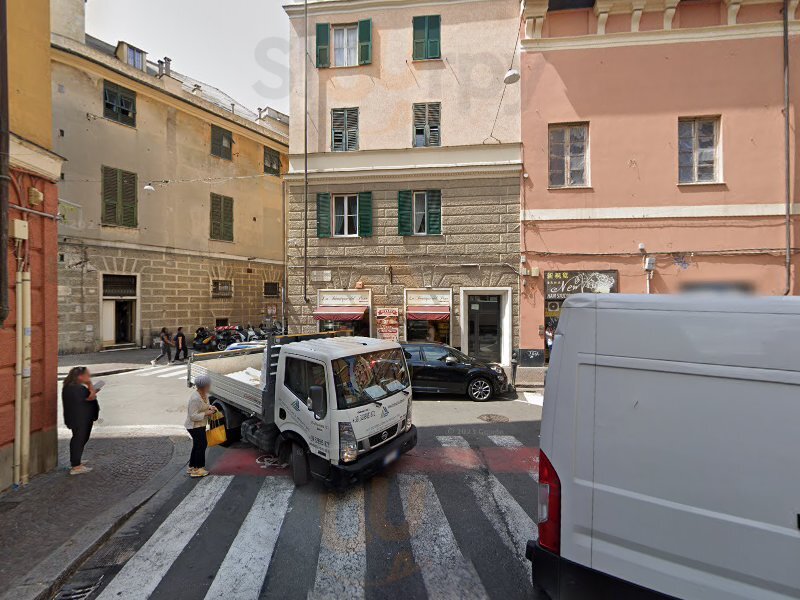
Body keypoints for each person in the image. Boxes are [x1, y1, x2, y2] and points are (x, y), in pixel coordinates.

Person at [61, 366, 99, 475]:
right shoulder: (77, 389)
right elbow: (91, 397)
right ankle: (76, 466)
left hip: (77, 418)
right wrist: (90, 385)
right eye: (87, 375)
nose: (89, 377)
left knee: (79, 439)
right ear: (80, 377)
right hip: (81, 419)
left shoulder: (70, 387)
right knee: (79, 439)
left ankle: (76, 460)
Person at [185, 375, 217, 478]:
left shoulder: (204, 394)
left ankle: (192, 466)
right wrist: (207, 413)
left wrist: (210, 407)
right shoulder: (195, 398)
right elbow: (192, 416)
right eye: (208, 385)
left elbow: (204, 405)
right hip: (194, 426)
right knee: (201, 445)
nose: (210, 386)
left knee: (197, 445)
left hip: (200, 424)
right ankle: (198, 469)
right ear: (204, 386)